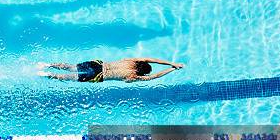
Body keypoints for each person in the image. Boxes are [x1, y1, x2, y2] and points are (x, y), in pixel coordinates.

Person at [38, 58, 184, 83]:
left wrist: (171, 62)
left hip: (97, 64)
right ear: (143, 72)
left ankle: (47, 64)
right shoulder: (132, 76)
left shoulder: (131, 60)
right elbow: (154, 77)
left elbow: (152, 59)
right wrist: (172, 69)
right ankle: (48, 75)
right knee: (70, 78)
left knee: (71, 67)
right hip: (98, 76)